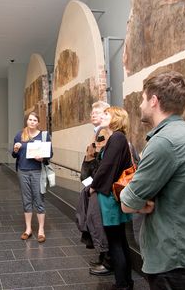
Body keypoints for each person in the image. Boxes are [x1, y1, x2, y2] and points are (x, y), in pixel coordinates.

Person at [121, 71, 185, 290]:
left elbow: (128, 202)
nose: (140, 105)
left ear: (154, 100)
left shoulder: (165, 141)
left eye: (142, 99)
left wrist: (138, 201)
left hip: (173, 260)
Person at [90, 106, 134, 290]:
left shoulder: (116, 137)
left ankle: (122, 284)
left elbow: (107, 166)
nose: (103, 116)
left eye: (107, 114)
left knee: (115, 241)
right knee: (120, 240)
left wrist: (94, 185)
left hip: (109, 196)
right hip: (113, 195)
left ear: (116, 118)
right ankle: (126, 282)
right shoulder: (118, 137)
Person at [80, 101, 113, 276]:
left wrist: (94, 185)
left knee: (100, 223)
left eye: (98, 112)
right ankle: (103, 257)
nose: (93, 114)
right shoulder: (96, 133)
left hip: (101, 188)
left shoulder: (107, 135)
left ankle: (108, 261)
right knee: (95, 221)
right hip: (94, 185)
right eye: (92, 111)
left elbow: (103, 165)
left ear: (106, 114)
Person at [12, 111, 52, 243]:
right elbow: (14, 155)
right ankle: (28, 229)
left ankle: (41, 230)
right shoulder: (20, 135)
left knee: (39, 199)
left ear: (38, 123)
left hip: (37, 172)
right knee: (26, 200)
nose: (32, 122)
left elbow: (50, 154)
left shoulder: (44, 136)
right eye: (30, 119)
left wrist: (42, 158)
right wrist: (16, 150)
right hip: (22, 171)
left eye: (35, 120)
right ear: (27, 121)